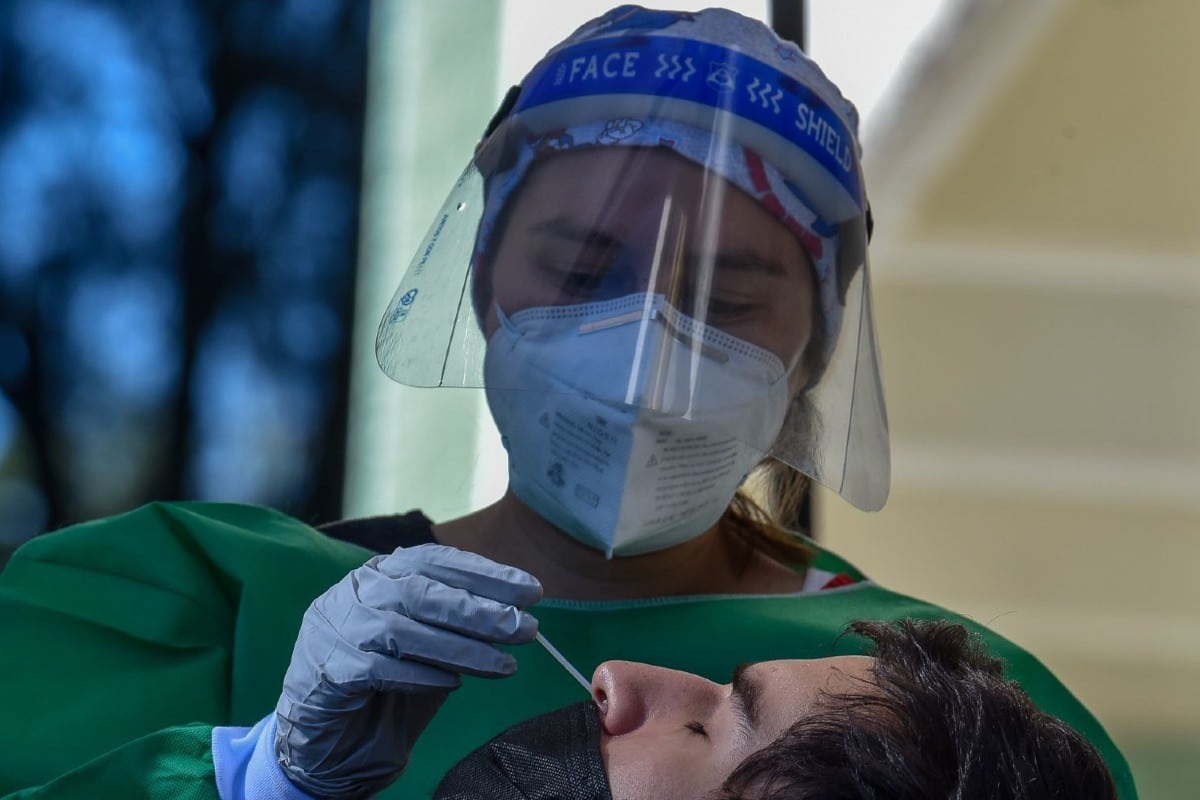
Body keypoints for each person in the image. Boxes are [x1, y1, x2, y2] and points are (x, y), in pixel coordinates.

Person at [0, 5, 1137, 799]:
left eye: (725, 295)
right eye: (584, 269)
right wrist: (257, 776)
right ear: (487, 273)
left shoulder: (958, 705)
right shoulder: (190, 603)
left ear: (817, 341)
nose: (645, 342)